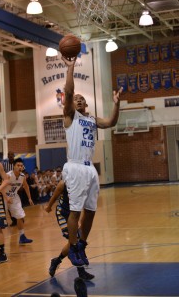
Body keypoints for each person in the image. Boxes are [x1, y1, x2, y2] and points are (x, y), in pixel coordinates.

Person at [61, 56, 123, 266]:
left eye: (81, 99)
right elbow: (68, 92)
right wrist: (70, 68)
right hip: (75, 166)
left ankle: (81, 246)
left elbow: (112, 122)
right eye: (75, 98)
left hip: (90, 169)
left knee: (91, 211)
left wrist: (116, 104)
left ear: (86, 104)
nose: (77, 99)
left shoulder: (92, 119)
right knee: (75, 211)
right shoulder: (70, 116)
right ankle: (72, 248)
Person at [45, 180, 94, 280]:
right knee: (74, 240)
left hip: (74, 214)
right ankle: (81, 272)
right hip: (62, 213)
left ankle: (56, 261)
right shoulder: (63, 183)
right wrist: (49, 206)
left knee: (74, 242)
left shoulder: (83, 184)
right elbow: (54, 196)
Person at [2, 158, 34, 244]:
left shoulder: (22, 176)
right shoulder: (8, 175)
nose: (20, 167)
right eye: (18, 165)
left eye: (21, 165)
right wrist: (6, 197)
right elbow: (1, 188)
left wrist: (29, 198)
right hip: (3, 196)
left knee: (20, 216)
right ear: (14, 166)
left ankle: (22, 237)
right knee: (1, 218)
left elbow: (26, 186)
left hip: (14, 197)